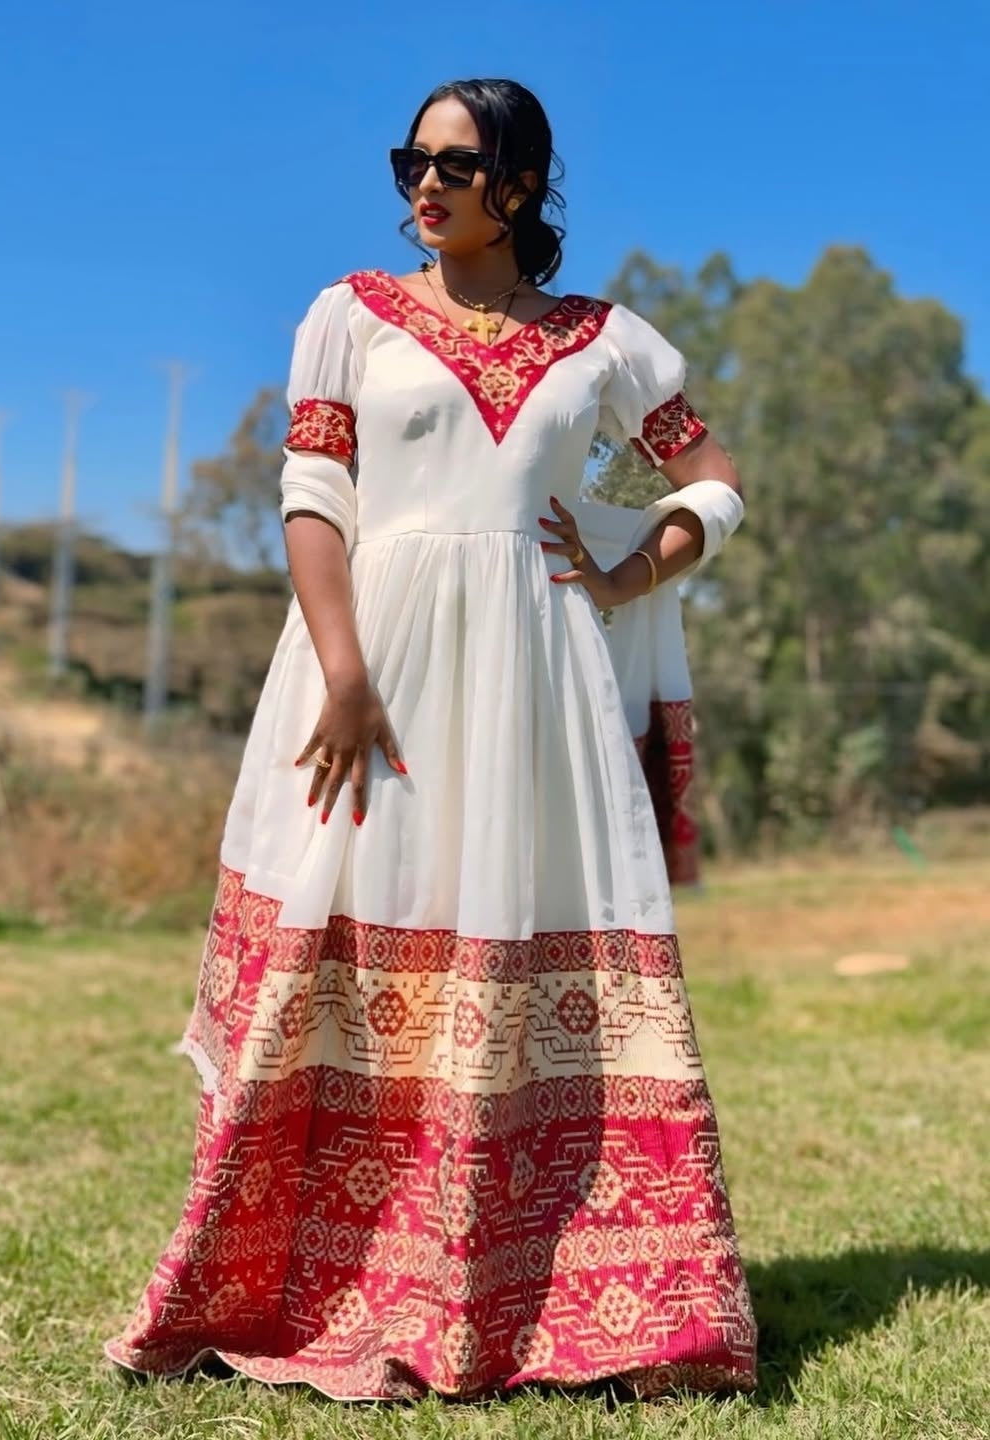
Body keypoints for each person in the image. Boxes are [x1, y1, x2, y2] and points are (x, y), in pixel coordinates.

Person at [103, 77, 758, 1403]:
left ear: (518, 184)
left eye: (453, 164)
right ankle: (317, 1289)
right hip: (374, 682)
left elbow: (715, 477)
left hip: (542, 692)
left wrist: (637, 574)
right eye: (410, 159)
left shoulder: (605, 340)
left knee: (524, 959)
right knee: (346, 954)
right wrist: (344, 678)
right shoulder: (349, 316)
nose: (423, 182)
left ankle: (573, 1303)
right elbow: (314, 498)